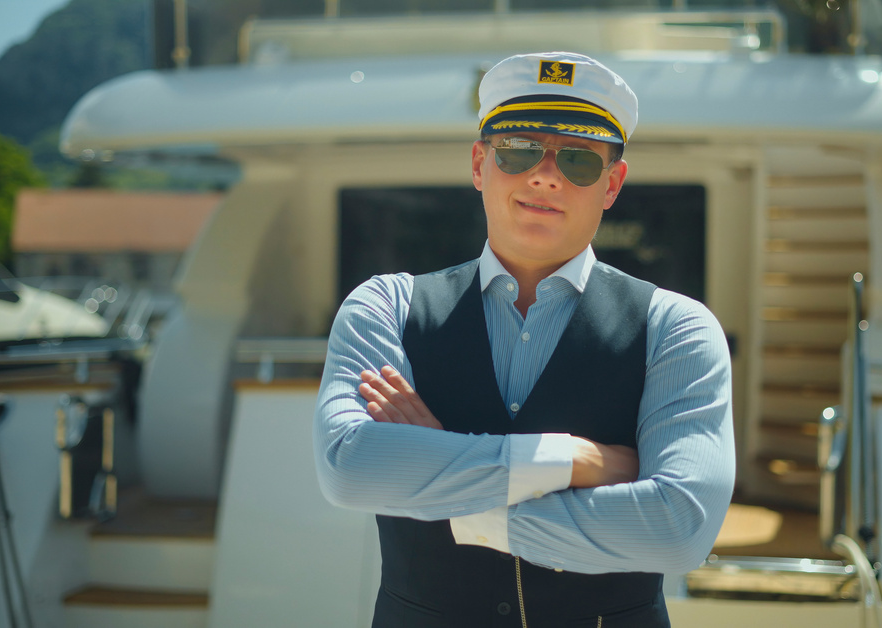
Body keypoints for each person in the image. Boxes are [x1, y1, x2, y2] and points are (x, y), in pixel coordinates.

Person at [314, 51, 735, 628]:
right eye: (518, 150)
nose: (544, 174)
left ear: (612, 184)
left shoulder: (677, 328)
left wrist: (456, 497)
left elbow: (680, 528)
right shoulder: (386, 306)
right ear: (478, 164)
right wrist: (575, 461)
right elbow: (349, 466)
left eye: (580, 162)